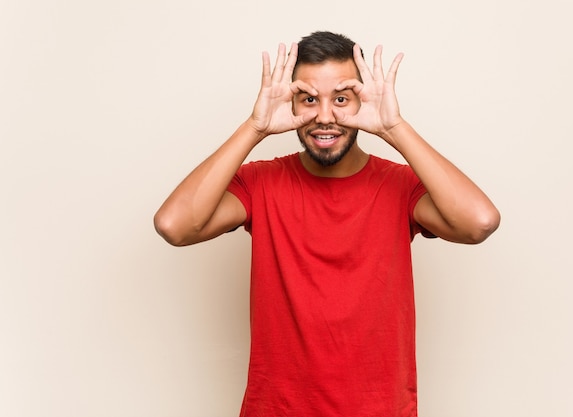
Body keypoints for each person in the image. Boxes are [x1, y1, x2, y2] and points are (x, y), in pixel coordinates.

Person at [154, 31, 500, 417]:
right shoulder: (260, 183)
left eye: (340, 99)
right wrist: (254, 128)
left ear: (362, 100)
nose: (324, 116)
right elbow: (174, 225)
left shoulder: (400, 185)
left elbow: (480, 222)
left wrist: (393, 128)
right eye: (308, 99)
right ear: (291, 102)